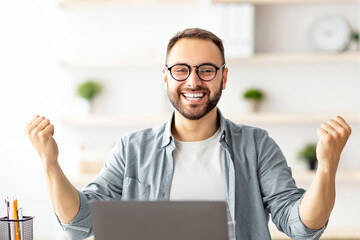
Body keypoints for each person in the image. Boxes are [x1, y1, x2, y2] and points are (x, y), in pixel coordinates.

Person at [25, 28, 352, 240]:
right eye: (181, 69)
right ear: (165, 78)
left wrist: (327, 166)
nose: (193, 82)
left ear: (223, 78)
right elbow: (80, 224)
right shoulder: (132, 148)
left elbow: (301, 227)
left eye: (206, 70)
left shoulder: (257, 145)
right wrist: (50, 163)